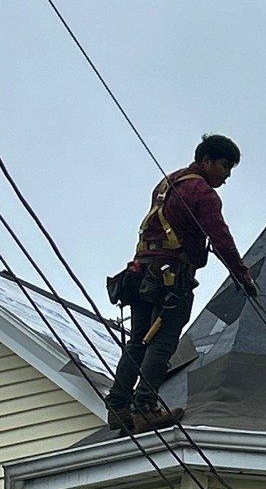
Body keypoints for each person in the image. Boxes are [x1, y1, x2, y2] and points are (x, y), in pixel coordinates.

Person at [105, 133, 258, 433]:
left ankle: (119, 404)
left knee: (138, 341)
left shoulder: (167, 183)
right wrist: (242, 276)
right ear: (206, 161)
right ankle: (145, 407)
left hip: (141, 274)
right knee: (162, 344)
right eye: (225, 166)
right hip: (171, 280)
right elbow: (220, 238)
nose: (226, 176)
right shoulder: (202, 193)